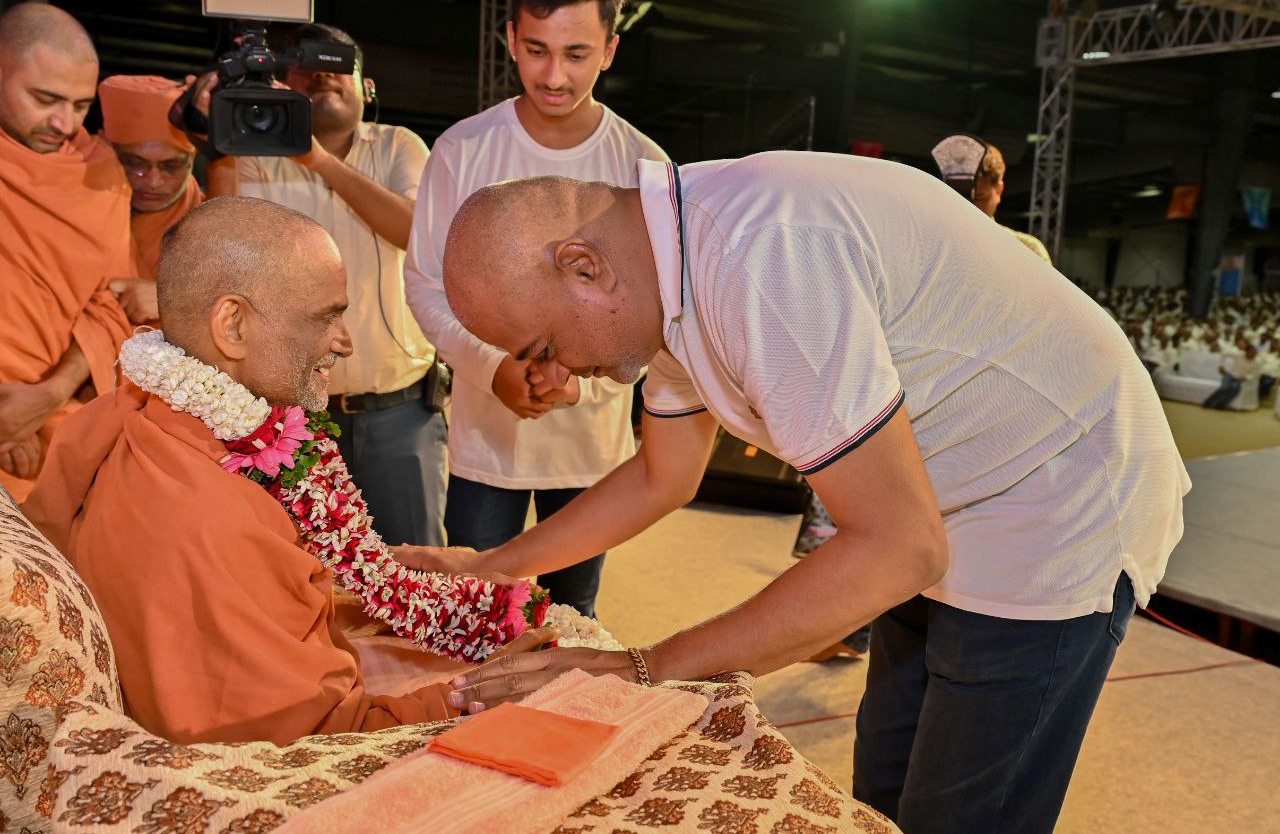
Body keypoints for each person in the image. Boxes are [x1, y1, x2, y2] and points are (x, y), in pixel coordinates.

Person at [410, 152, 1188, 834]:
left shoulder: (760, 261)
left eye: (546, 346)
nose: (560, 376)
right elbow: (660, 476)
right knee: (883, 793)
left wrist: (644, 667)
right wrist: (491, 564)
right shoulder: (666, 266)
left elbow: (899, 547)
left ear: (585, 267)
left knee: (960, 812)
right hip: (933, 496)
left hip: (1055, 495)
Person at [25, 197, 551, 745]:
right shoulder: (210, 517)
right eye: (326, 317)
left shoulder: (129, 412)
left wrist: (412, 575)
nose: (345, 341)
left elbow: (288, 578)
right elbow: (311, 735)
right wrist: (470, 695)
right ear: (232, 325)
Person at [404, 0, 666, 617]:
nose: (553, 76)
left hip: (591, 451)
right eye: (537, 50)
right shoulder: (463, 149)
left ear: (610, 49)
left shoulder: (645, 166)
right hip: (485, 443)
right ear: (510, 39)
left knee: (572, 620)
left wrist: (581, 382)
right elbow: (425, 283)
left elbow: (659, 314)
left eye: (576, 54)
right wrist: (492, 366)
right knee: (471, 611)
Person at [226, 23, 445, 548]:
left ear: (366, 86)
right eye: (305, 65)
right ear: (283, 82)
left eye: (337, 63)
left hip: (398, 414)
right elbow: (240, 254)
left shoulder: (398, 145)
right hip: (292, 418)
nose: (323, 74)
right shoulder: (258, 155)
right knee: (297, 570)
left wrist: (317, 161)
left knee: (415, 566)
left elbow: (417, 233)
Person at [0, 2, 132, 502]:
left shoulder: (99, 173)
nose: (63, 122)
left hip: (57, 431)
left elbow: (111, 307)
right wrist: (8, 423)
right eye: (44, 99)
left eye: (80, 105)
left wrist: (46, 397)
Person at [96, 74, 206, 324]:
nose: (153, 181)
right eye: (135, 163)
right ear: (107, 149)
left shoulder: (209, 225)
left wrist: (170, 302)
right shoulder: (75, 211)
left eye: (172, 166)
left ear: (192, 160)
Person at [932, 134, 1052, 262]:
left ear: (998, 190)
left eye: (979, 197)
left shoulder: (1029, 251)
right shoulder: (933, 244)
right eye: (959, 199)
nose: (969, 208)